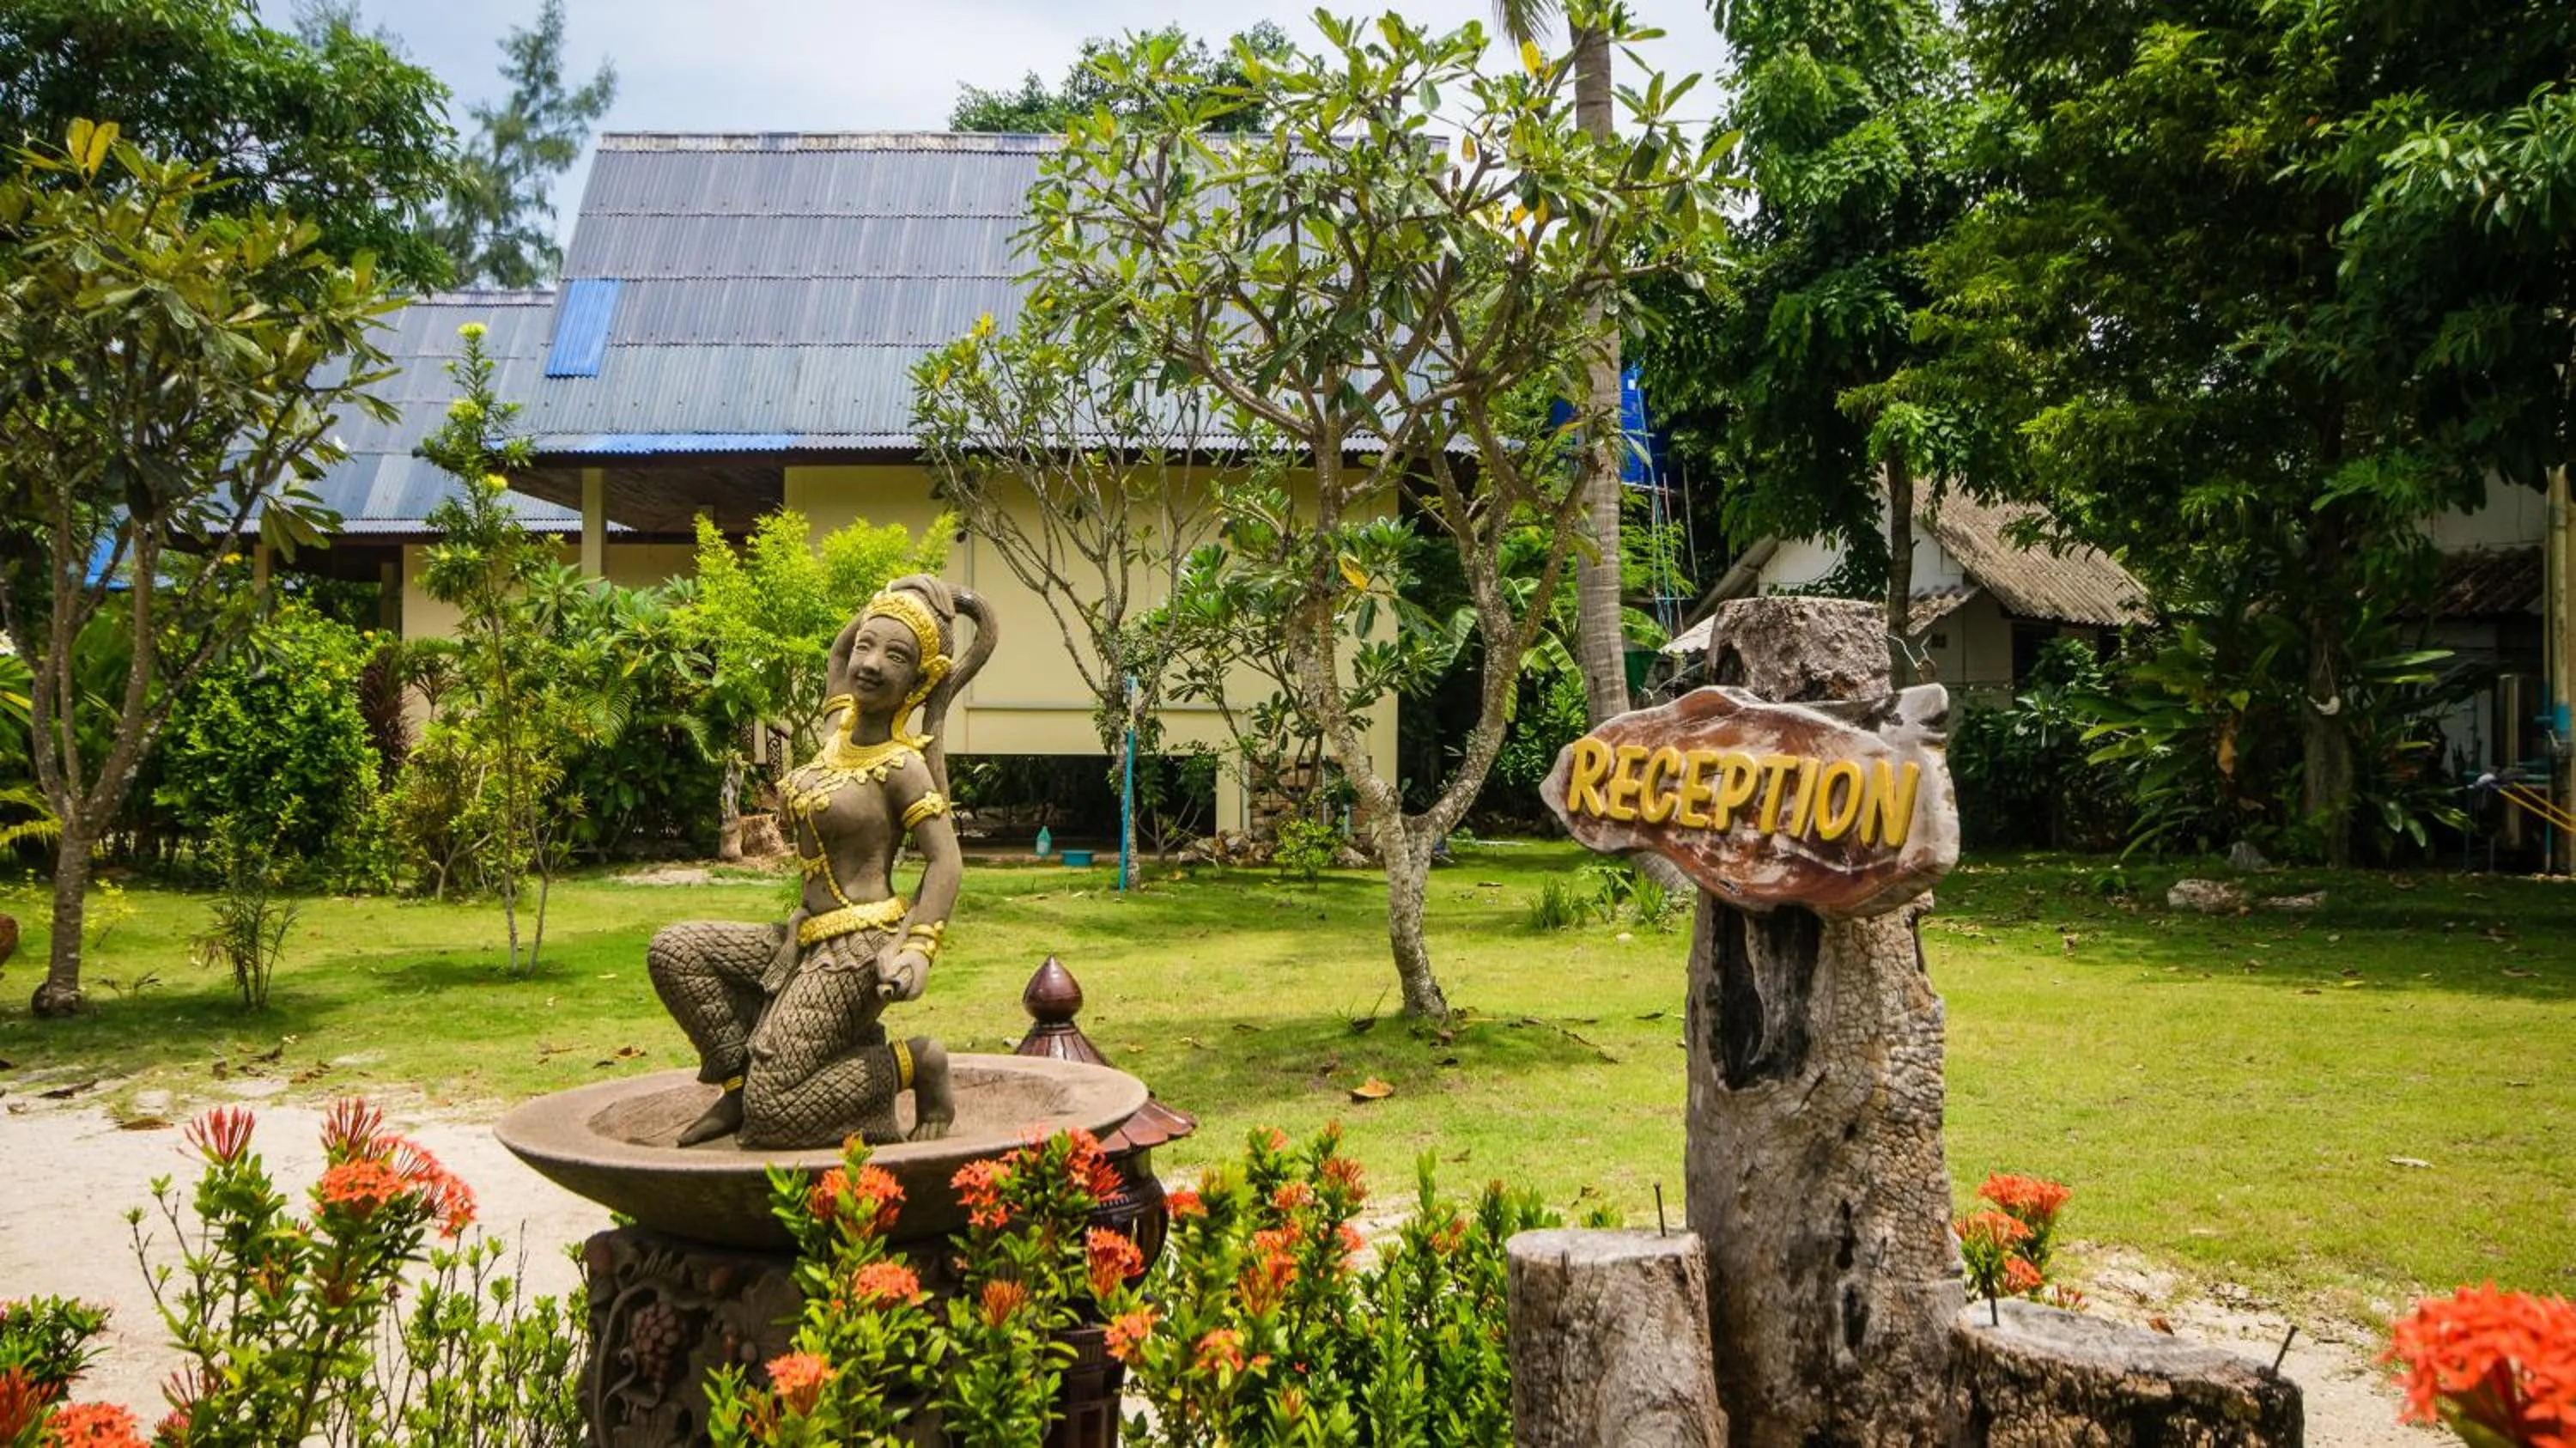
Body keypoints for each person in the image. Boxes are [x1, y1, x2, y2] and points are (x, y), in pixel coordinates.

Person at [647, 574, 994, 1148]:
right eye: (868, 646)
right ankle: (739, 1081)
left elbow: (946, 863)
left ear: (919, 677)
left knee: (776, 1111)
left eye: (896, 656)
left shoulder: (901, 765)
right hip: (802, 937)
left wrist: (917, 948)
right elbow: (840, 648)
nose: (872, 663)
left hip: (859, 948)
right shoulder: (838, 731)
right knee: (676, 952)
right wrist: (901, 591)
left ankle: (916, 1063)